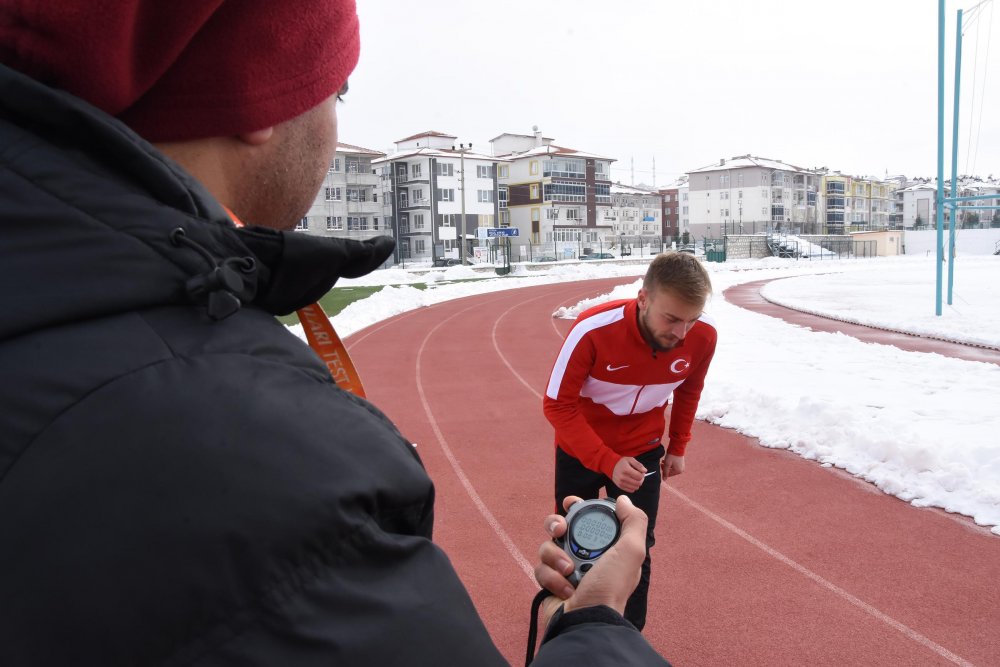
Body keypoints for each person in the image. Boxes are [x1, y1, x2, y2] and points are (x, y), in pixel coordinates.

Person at [0, 1, 669, 664]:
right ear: (257, 94)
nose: (333, 118)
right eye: (336, 90)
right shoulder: (249, 454)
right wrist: (595, 624)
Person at [543, 252, 718, 630]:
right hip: (583, 450)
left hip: (643, 448)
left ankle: (628, 631)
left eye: (692, 320)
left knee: (639, 544)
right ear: (643, 299)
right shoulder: (592, 329)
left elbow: (689, 390)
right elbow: (557, 406)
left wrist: (679, 446)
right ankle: (567, 624)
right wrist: (607, 460)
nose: (681, 333)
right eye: (670, 318)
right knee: (572, 538)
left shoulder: (702, 336)